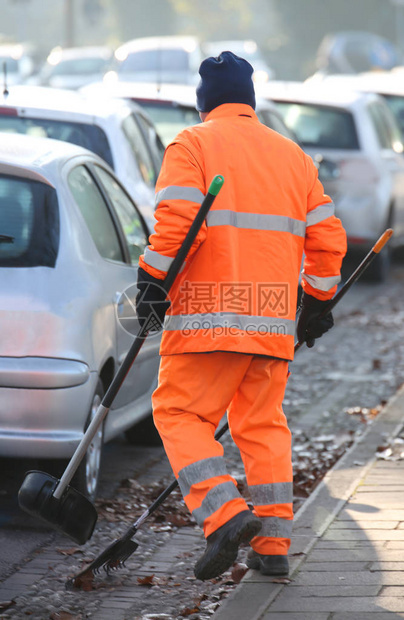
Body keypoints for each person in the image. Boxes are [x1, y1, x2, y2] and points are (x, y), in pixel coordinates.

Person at [136, 51, 347, 581]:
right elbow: (327, 238)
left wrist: (152, 281)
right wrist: (317, 301)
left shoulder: (193, 145)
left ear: (205, 101)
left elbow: (181, 223)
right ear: (249, 100)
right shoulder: (293, 157)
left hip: (207, 313)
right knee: (263, 427)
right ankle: (273, 542)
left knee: (179, 414)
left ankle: (224, 513)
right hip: (273, 316)